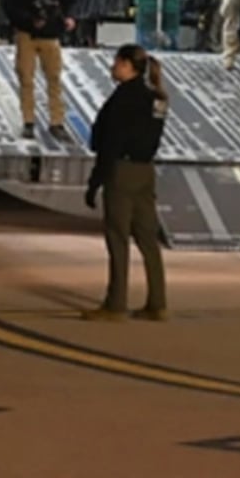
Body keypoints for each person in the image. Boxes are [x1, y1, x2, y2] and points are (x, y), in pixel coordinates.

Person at [81, 42, 167, 322]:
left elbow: (110, 142)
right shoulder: (156, 98)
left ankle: (116, 303)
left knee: (118, 237)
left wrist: (95, 181)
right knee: (148, 239)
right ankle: (157, 303)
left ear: (128, 65)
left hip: (121, 171)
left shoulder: (122, 99)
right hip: (145, 171)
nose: (113, 67)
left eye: (117, 62)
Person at [1, 0, 75, 139]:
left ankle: (57, 122)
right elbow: (9, 5)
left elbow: (70, 1)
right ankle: (28, 121)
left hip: (51, 36)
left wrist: (69, 18)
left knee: (54, 79)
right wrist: (27, 20)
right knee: (26, 78)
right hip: (27, 35)